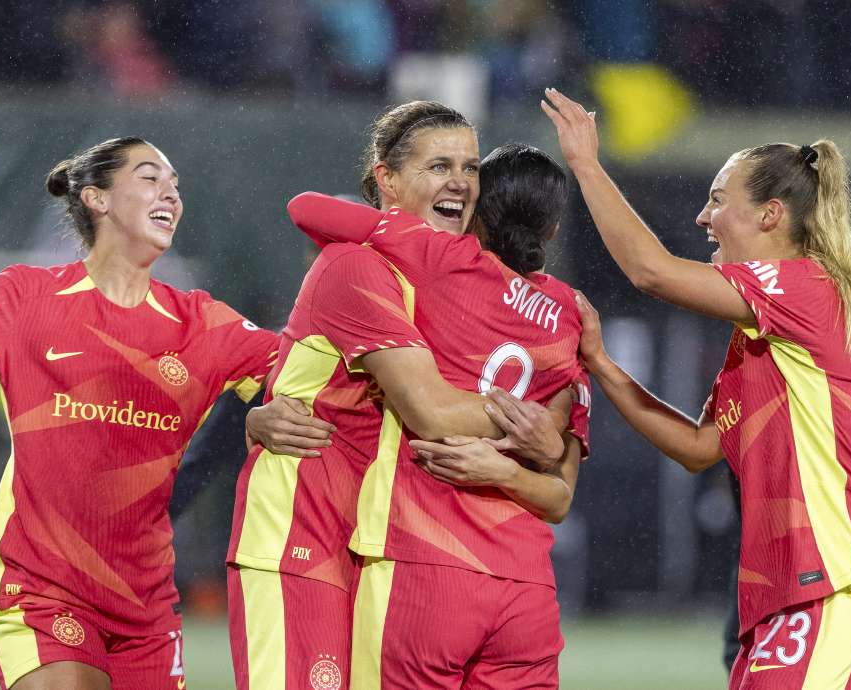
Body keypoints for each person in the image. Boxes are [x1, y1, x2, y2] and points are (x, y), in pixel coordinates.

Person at [0, 132, 314, 690]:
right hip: (41, 587)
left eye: (176, 185)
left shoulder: (203, 323)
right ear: (96, 199)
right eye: (150, 178)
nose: (170, 192)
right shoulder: (24, 297)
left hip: (144, 605)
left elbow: (311, 376)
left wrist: (259, 413)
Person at [541, 88, 851, 689]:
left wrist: (585, 164)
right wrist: (602, 364)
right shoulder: (764, 337)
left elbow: (650, 271)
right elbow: (697, 448)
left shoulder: (804, 287)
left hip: (838, 581)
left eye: (717, 201)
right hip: (785, 594)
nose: (702, 218)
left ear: (770, 215)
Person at [229, 103, 585, 690]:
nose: (459, 182)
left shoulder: (451, 283)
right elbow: (433, 412)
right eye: (438, 166)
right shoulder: (356, 266)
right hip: (305, 537)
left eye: (471, 168)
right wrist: (541, 426)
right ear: (386, 179)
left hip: (374, 545)